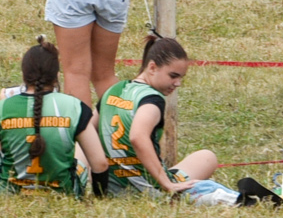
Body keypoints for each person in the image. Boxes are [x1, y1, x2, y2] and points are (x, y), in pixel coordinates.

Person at [95, 35, 237, 203]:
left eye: (181, 78)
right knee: (207, 157)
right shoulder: (151, 99)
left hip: (110, 189)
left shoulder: (113, 91)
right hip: (146, 190)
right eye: (173, 76)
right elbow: (137, 137)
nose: (177, 83)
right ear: (152, 67)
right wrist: (167, 184)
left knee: (204, 158)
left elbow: (86, 129)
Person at [0, 39, 104, 196]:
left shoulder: (2, 107)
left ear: (24, 74)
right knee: (80, 138)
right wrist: (100, 196)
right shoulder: (74, 106)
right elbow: (100, 163)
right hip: (63, 193)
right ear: (56, 75)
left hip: (10, 193)